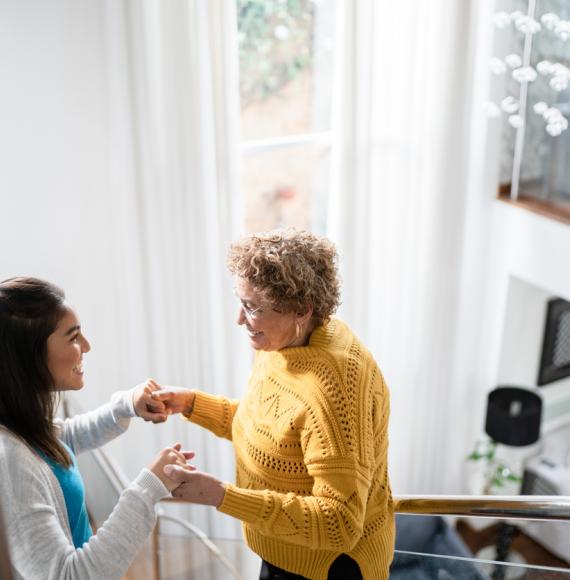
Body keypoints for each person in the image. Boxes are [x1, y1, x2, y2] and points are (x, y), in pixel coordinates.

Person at [151, 229, 395, 580]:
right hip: (288, 550)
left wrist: (222, 496)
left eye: (251, 307)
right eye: (240, 302)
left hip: (327, 568)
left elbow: (340, 521)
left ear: (301, 309)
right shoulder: (285, 345)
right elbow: (269, 428)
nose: (239, 319)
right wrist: (190, 403)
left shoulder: (336, 388)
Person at [0, 276, 193, 579]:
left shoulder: (25, 429)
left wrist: (128, 403)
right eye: (73, 337)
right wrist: (148, 488)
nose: (86, 346)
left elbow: (67, 437)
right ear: (30, 355)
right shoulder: (11, 461)